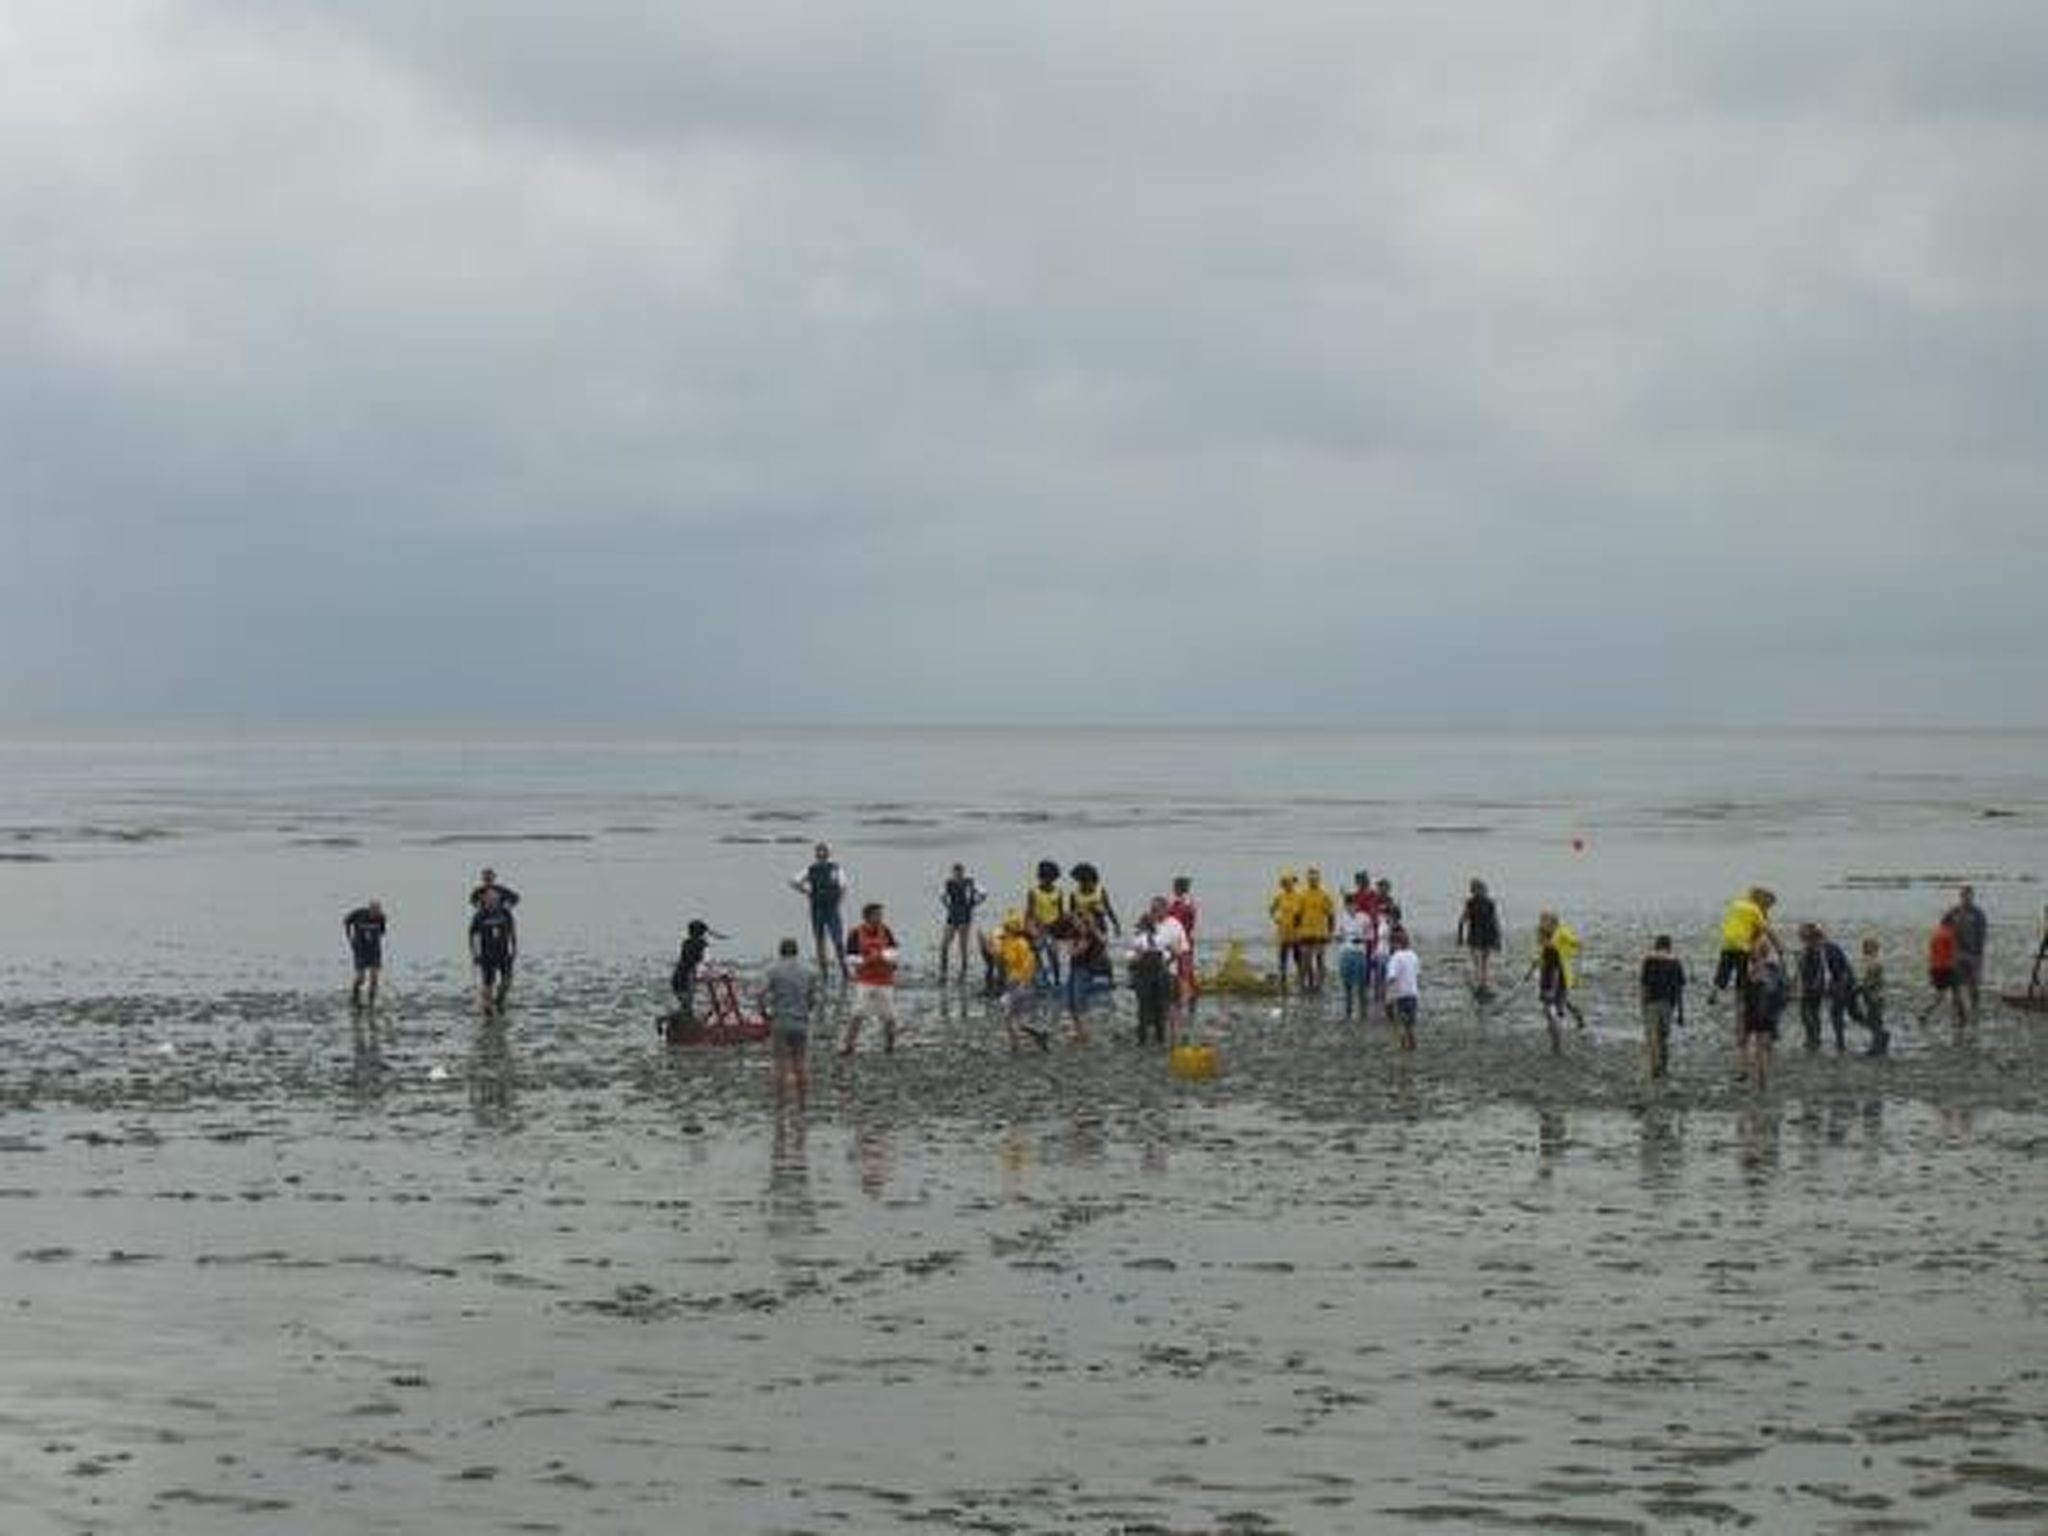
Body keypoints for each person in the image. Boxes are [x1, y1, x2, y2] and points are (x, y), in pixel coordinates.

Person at [762, 938, 818, 1103]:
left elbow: (760, 993)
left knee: (781, 1063)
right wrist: (807, 1010)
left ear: (780, 951)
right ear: (796, 951)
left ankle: (781, 1101)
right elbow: (812, 998)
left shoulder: (772, 969)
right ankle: (802, 1101)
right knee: (800, 1062)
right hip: (800, 1021)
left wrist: (763, 1011)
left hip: (781, 1020)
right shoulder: (809, 971)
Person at [842, 902, 900, 1054]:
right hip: (865, 981)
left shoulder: (886, 931)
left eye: (881, 915)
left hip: (885, 981)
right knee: (858, 1013)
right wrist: (866, 959)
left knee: (889, 1016)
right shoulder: (855, 933)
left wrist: (883, 956)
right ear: (868, 916)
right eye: (877, 915)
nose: (880, 917)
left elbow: (894, 952)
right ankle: (849, 1045)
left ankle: (889, 1046)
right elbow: (849, 957)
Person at [790, 843, 850, 981]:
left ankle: (843, 969)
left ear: (827, 854)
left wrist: (838, 902)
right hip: (818, 908)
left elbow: (843, 887)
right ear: (817, 854)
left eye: (823, 852)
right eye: (820, 852)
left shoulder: (835, 868)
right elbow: (793, 881)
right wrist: (806, 892)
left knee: (837, 940)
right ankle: (825, 973)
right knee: (821, 941)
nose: (821, 855)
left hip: (829, 908)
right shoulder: (811, 869)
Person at [1795, 922, 1857, 1053]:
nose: (1801, 939)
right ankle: (1826, 1040)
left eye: (1802, 936)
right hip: (1832, 984)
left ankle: (1816, 1039)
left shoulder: (1815, 950)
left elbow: (1813, 971)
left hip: (1834, 985)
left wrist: (1806, 986)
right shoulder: (1828, 948)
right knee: (1818, 1012)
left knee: (1811, 1011)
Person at [1527, 910, 1584, 1052]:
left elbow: (1575, 944)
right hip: (1547, 977)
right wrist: (1530, 971)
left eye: (1544, 921)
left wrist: (1552, 989)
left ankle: (1556, 1044)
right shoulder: (1543, 939)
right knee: (1558, 1005)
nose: (1541, 924)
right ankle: (1577, 1016)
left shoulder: (1560, 936)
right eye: (1541, 921)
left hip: (1559, 978)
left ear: (1553, 923)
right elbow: (1539, 956)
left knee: (1555, 1009)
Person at [1710, 886, 1776, 1007]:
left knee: (1723, 971)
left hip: (1727, 943)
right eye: (1769, 904)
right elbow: (1766, 930)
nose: (1769, 907)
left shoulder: (1736, 903)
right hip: (1742, 944)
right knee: (1742, 974)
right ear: (1762, 900)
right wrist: (1780, 946)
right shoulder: (1755, 910)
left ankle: (1715, 991)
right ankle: (1740, 1000)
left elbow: (1737, 922)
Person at [1741, 932, 1789, 1088]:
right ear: (1767, 952)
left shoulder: (1750, 972)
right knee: (1763, 1048)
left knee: (1747, 1044)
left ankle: (1749, 1074)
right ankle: (1763, 1080)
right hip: (1768, 1013)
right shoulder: (1774, 969)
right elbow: (1781, 990)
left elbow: (1745, 996)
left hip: (1752, 1012)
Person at [994, 911, 1046, 1051]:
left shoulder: (1017, 944)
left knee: (1008, 1016)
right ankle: (1037, 1034)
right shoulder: (1017, 942)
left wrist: (1021, 981)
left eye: (1007, 928)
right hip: (1020, 984)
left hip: (1018, 985)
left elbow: (1020, 963)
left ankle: (1016, 1046)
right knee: (1016, 1019)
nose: (1005, 931)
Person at [1638, 934, 1686, 1081]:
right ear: (1669, 946)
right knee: (1663, 1037)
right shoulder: (1676, 963)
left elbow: (1643, 986)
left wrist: (1641, 1005)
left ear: (1656, 945)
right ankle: (1663, 1067)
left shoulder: (1648, 961)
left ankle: (1655, 1067)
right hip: (1669, 1005)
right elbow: (1679, 989)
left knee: (1652, 1037)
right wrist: (1681, 1013)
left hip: (1651, 1003)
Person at [1064, 910, 1115, 1042]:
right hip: (1073, 968)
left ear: (1083, 920)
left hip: (1085, 970)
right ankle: (1078, 1031)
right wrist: (1076, 946)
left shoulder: (1091, 933)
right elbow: (1071, 950)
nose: (1074, 922)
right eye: (1073, 920)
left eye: (1076, 919)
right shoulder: (1072, 932)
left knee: (1080, 1002)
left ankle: (1085, 1034)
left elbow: (1103, 941)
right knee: (1071, 1003)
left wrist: (1093, 928)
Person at [1128, 909, 1176, 1047]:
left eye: (1142, 925)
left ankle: (1150, 1039)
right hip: (1151, 974)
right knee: (1150, 1007)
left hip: (1152, 975)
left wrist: (1165, 962)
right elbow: (1130, 958)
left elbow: (1173, 952)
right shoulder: (1142, 939)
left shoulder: (1156, 938)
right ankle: (1152, 1038)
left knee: (1151, 1007)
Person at [1942, 885, 1988, 1024]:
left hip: (1973, 954)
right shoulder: (1953, 912)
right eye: (1964, 896)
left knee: (1973, 985)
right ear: (1960, 896)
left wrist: (1980, 956)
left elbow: (1982, 935)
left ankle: (1975, 1008)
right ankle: (1958, 1011)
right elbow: (1942, 928)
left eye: (1969, 896)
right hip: (1956, 955)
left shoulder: (1978, 914)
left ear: (1972, 897)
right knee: (1955, 985)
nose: (1966, 898)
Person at [469, 886, 517, 1014]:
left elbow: (512, 933)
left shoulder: (505, 913)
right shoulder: (479, 916)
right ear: (484, 900)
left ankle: (500, 1000)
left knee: (507, 981)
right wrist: (475, 954)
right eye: (489, 899)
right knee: (488, 983)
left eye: (494, 899)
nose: (492, 901)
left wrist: (514, 949)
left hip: (504, 952)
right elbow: (473, 936)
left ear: (498, 900)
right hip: (487, 954)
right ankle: (487, 1009)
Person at [1023, 861, 1069, 988]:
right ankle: (1040, 976)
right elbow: (1029, 913)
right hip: (1038, 928)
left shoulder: (1058, 892)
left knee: (1053, 955)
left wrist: (1064, 930)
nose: (1048, 881)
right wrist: (1031, 929)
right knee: (1036, 952)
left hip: (1053, 928)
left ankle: (1057, 980)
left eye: (1051, 878)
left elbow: (1060, 913)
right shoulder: (1033, 892)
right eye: (1045, 878)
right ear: (1041, 877)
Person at [938, 863, 985, 985]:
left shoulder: (970, 882)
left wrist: (974, 904)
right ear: (953, 873)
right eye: (955, 872)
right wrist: (948, 906)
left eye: (959, 872)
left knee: (962, 945)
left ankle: (963, 971)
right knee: (944, 945)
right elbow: (942, 896)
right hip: (952, 915)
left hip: (965, 915)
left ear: (963, 872)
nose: (957, 875)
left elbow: (984, 894)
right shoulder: (948, 883)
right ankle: (943, 970)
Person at [1457, 878, 1503, 999]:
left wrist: (1460, 937)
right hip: (1484, 935)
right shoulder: (1487, 903)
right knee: (1482, 963)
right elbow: (1495, 921)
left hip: (1479, 935)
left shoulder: (1472, 903)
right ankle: (1482, 984)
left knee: (1480, 962)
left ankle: (1481, 984)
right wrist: (1498, 939)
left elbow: (1462, 920)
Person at [1295, 868, 1337, 995]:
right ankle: (1304, 984)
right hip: (1305, 933)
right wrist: (1296, 931)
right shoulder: (1302, 895)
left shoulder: (1324, 895)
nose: (1313, 881)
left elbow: (1331, 915)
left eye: (1315, 879)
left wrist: (1330, 932)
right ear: (1308, 880)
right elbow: (1297, 915)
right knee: (1305, 961)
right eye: (1311, 879)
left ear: (1319, 880)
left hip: (1320, 933)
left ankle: (1319, 985)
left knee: (1320, 960)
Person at [1920, 914, 1964, 1028]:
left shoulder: (1935, 934)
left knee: (1939, 996)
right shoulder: (1950, 935)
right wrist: (1958, 968)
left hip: (1935, 968)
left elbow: (1932, 953)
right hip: (1948, 968)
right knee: (1957, 992)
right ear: (1951, 923)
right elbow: (1954, 954)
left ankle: (1925, 1012)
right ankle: (1961, 1017)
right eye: (1955, 923)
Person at [343, 899, 387, 1009]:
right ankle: (355, 996)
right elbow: (346, 922)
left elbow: (382, 932)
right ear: (369, 909)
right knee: (361, 977)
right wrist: (350, 937)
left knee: (374, 977)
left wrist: (373, 938)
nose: (375, 913)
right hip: (360, 949)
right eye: (373, 910)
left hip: (374, 950)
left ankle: (371, 1002)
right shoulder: (359, 914)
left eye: (377, 910)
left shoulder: (381, 918)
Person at [1335, 893, 1372, 1021]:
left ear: (1357, 905)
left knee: (1361, 986)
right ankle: (1348, 1011)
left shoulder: (1364, 917)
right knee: (1347, 985)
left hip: (1359, 953)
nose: (1351, 906)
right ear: (1345, 905)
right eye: (1348, 904)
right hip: (1345, 953)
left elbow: (1370, 936)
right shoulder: (1340, 918)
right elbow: (1337, 936)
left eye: (1353, 904)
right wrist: (1339, 937)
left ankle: (1363, 1012)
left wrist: (1360, 939)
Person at [1383, 926, 1420, 1052]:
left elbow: (1391, 978)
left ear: (1395, 944)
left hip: (1401, 996)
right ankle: (1413, 1047)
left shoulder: (1395, 957)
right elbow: (1417, 975)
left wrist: (1388, 997)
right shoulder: (1414, 955)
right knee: (1410, 1026)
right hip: (1413, 995)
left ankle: (1403, 1048)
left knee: (1400, 1024)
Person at [1268, 870, 1304, 997]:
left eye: (1289, 883)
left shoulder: (1299, 897)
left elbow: (1304, 912)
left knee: (1298, 958)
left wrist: (1301, 921)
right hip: (1283, 932)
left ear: (1293, 884)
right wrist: (1276, 919)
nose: (1288, 885)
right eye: (1285, 883)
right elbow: (1271, 910)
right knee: (1283, 957)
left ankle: (1301, 979)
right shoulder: (1280, 897)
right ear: (1283, 885)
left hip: (1296, 933)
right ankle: (1283, 977)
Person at [1167, 876, 1200, 1010]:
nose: (1173, 889)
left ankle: (1190, 997)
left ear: (1179, 888)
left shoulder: (1185, 904)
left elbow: (1181, 920)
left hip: (1183, 940)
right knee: (1181, 969)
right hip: (1180, 940)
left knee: (1184, 970)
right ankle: (1185, 997)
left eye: (1175, 887)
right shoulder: (1180, 902)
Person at [1856, 936, 1890, 1057]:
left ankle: (1877, 1045)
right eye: (1864, 946)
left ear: (1875, 948)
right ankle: (1880, 1041)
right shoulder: (1869, 961)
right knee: (1874, 1020)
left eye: (1867, 947)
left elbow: (1874, 980)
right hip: (1871, 995)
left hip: (1875, 996)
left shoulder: (1875, 962)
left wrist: (1862, 986)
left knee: (1874, 1020)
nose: (1864, 949)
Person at [1069, 862, 1123, 937]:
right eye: (1082, 881)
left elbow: (1108, 909)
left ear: (1093, 880)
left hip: (1099, 925)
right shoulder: (1074, 895)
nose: (1085, 884)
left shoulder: (1100, 892)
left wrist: (1116, 925)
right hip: (1082, 928)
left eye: (1087, 880)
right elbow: (1072, 914)